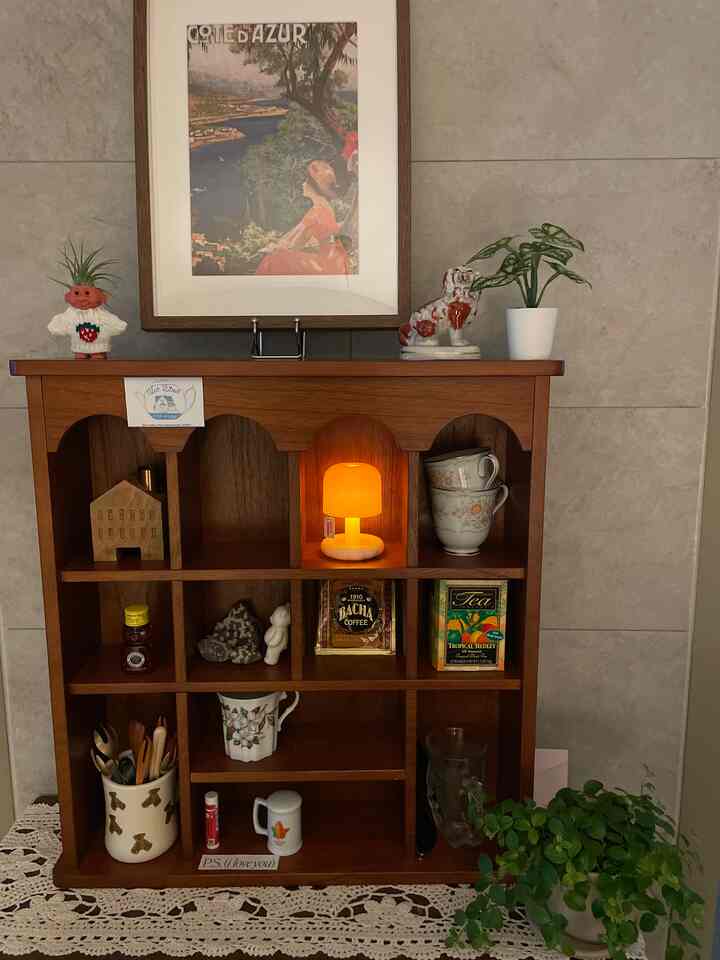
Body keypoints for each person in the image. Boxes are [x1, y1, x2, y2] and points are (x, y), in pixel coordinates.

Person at [256, 160, 349, 276]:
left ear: (313, 186)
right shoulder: (323, 205)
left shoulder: (317, 210)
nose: (302, 184)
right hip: (337, 262)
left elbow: (296, 245)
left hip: (328, 266)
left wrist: (274, 249)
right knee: (277, 257)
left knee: (273, 260)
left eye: (305, 181)